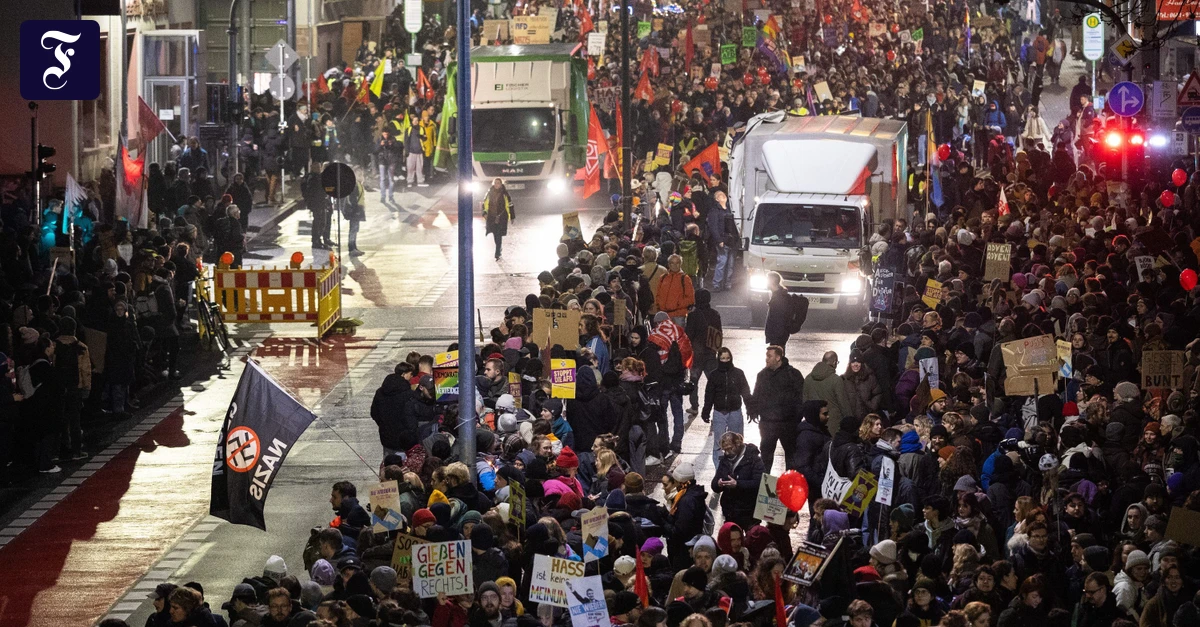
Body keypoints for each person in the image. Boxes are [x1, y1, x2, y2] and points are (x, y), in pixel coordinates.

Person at [751, 345, 804, 471]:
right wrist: (754, 411)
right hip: (768, 424)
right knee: (766, 459)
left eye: (769, 356)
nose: (766, 359)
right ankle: (765, 489)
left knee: (791, 458)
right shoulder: (762, 375)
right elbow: (756, 395)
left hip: (788, 424)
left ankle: (789, 486)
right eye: (766, 356)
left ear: (778, 357)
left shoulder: (793, 374)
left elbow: (801, 398)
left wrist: (796, 418)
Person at [700, 347, 751, 467]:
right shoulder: (714, 375)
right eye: (722, 358)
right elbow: (709, 394)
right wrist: (706, 411)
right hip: (719, 413)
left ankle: (737, 466)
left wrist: (750, 408)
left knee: (737, 442)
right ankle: (720, 471)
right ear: (719, 359)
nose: (725, 361)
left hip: (735, 412)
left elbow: (745, 392)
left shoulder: (738, 373)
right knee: (719, 444)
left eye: (727, 358)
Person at [482, 178, 514, 260]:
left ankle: (497, 252)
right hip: (491, 217)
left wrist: (512, 216)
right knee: (495, 234)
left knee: (499, 234)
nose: (497, 184)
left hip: (502, 217)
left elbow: (510, 205)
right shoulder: (489, 193)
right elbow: (484, 204)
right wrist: (484, 213)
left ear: (501, 184)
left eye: (498, 183)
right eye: (495, 183)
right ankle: (498, 248)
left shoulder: (505, 194)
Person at [344, 181, 366, 255]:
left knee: (355, 229)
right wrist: (355, 210)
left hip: (358, 209)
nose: (362, 175)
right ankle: (351, 248)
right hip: (355, 210)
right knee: (353, 229)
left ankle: (354, 247)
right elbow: (353, 198)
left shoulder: (359, 184)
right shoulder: (355, 184)